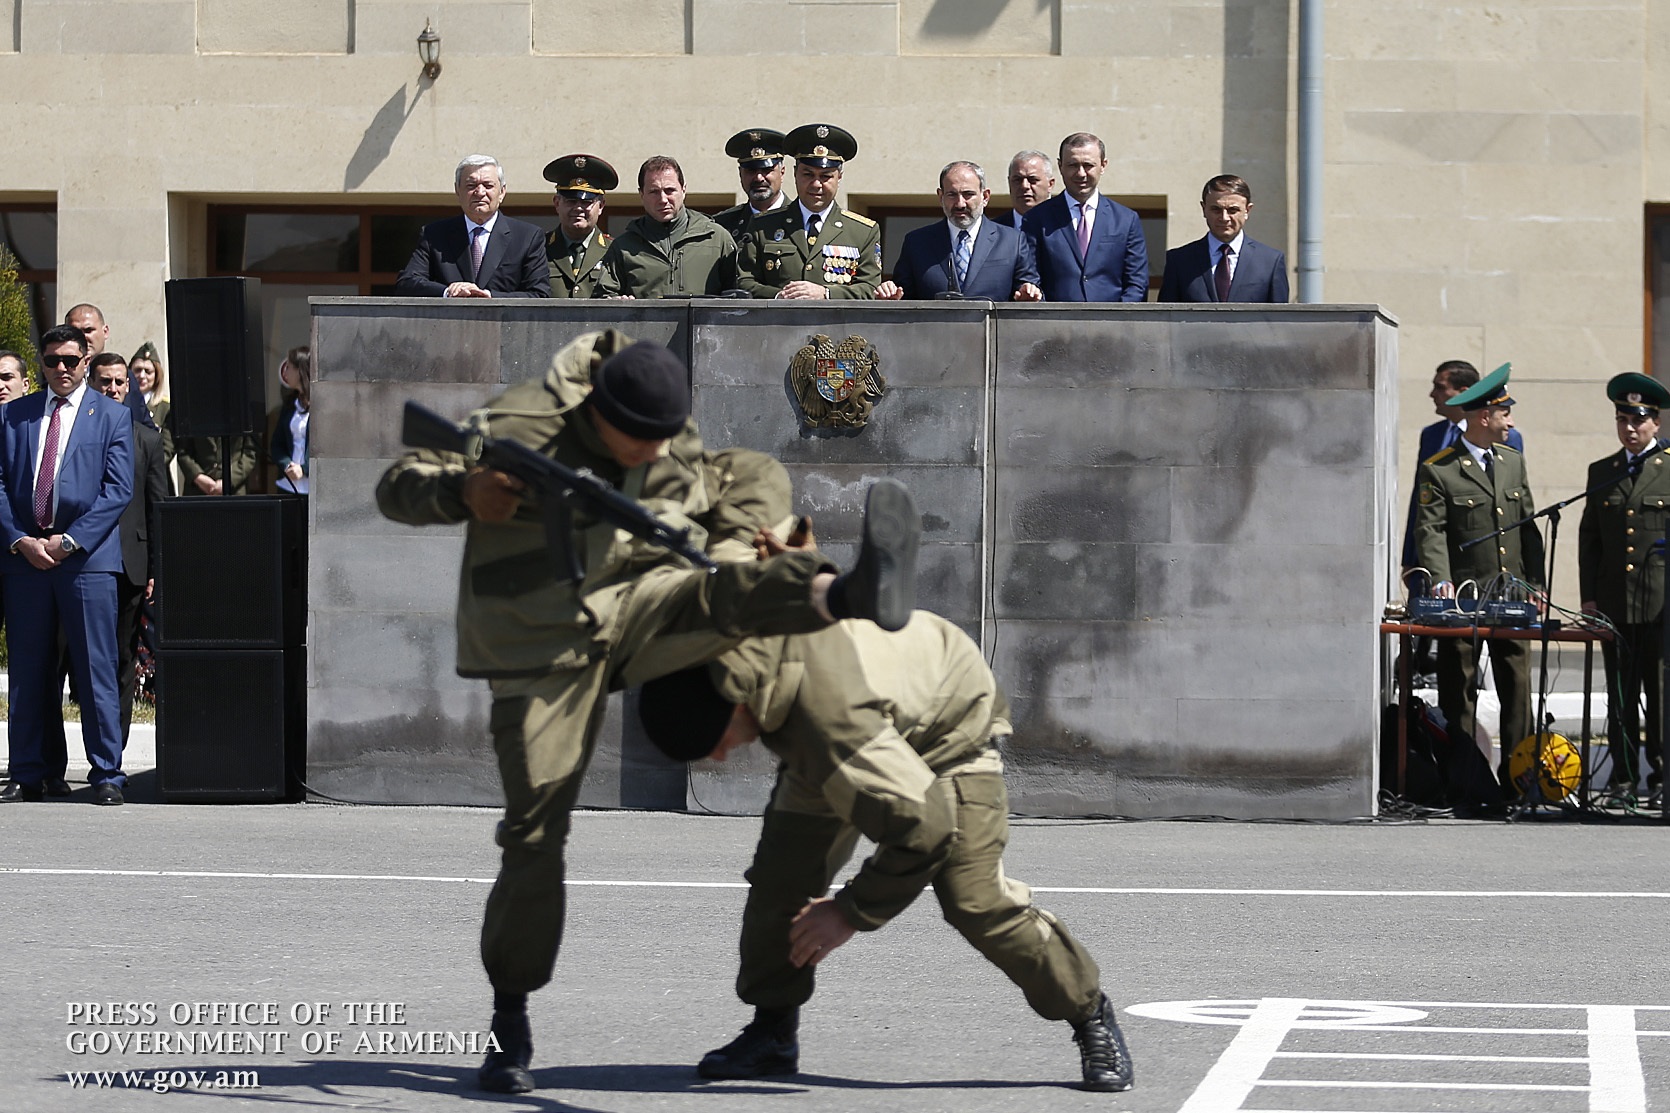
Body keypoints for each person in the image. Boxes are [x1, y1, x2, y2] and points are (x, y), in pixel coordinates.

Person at [374, 331, 921, 1095]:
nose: (656, 451)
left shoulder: (666, 431)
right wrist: (462, 493)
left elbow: (711, 479)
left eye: (667, 439)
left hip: (640, 600)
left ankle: (837, 592)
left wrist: (724, 539)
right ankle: (510, 1021)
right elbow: (398, 482)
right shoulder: (522, 422)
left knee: (738, 524)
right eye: (643, 442)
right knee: (535, 828)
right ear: (600, 415)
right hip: (542, 644)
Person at [637, 612, 1134, 1093]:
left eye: (713, 743)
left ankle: (1088, 1012)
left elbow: (926, 830)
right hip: (846, 728)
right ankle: (772, 1031)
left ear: (737, 704)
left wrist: (849, 912)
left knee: (974, 901)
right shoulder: (735, 663)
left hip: (947, 731)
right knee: (780, 881)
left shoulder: (829, 720)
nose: (718, 756)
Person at [0, 324, 133, 806]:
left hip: (87, 562)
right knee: (30, 670)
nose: (61, 368)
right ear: (42, 362)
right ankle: (28, 772)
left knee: (95, 667)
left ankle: (107, 774)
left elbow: (118, 490)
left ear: (86, 361)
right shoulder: (15, 414)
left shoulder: (112, 416)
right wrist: (19, 539)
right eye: (52, 359)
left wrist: (70, 541)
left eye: (71, 360)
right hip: (26, 562)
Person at [1412, 363, 1543, 801]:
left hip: (1511, 596)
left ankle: (1518, 784)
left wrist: (1537, 584)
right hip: (1464, 600)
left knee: (1517, 691)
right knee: (1460, 691)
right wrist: (1442, 582)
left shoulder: (1512, 462)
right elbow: (1430, 530)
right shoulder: (1441, 469)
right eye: (1504, 413)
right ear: (1484, 416)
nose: (1510, 421)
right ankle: (1468, 784)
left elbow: (1527, 528)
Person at [1578, 372, 1670, 807]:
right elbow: (1590, 540)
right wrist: (1589, 598)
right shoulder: (1603, 471)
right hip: (1615, 603)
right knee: (1620, 697)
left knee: (1662, 694)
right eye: (1622, 420)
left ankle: (1663, 777)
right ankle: (1624, 778)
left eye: (1638, 420)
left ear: (1655, 422)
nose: (1629, 429)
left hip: (1660, 605)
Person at [89, 353, 169, 749]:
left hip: (129, 567)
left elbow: (158, 510)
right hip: (77, 564)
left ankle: (111, 755)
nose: (114, 389)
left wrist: (156, 569)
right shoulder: (75, 434)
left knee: (121, 659)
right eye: (106, 382)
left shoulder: (148, 440)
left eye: (121, 382)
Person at [1402, 360, 1526, 572]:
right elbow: (1421, 501)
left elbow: (1513, 508)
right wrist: (1410, 558)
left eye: (1440, 387)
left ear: (1463, 392)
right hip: (1431, 558)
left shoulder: (1506, 438)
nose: (1432, 395)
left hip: (1477, 562)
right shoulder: (1431, 435)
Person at [735, 124, 881, 300]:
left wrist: (826, 294)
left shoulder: (862, 231)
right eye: (808, 174)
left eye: (826, 176)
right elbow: (744, 281)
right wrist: (779, 297)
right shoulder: (763, 225)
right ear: (795, 173)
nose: (816, 184)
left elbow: (870, 287)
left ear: (839, 177)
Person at [876, 161, 1042, 302]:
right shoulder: (917, 242)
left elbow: (1029, 292)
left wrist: (1029, 295)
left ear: (985, 197)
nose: (960, 203)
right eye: (952, 195)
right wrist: (890, 296)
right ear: (940, 197)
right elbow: (903, 297)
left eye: (968, 194)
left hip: (993, 337)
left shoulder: (1012, 241)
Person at [395, 155, 551, 299]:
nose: (480, 192)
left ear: (502, 192)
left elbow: (539, 294)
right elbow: (407, 283)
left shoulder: (527, 236)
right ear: (458, 190)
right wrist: (449, 292)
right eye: (471, 185)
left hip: (503, 326)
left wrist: (489, 297)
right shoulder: (435, 234)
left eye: (488, 185)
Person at [1022, 133, 1149, 302]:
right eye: (1073, 165)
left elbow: (1137, 283)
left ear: (1103, 165)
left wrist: (1119, 320)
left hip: (1112, 324)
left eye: (1088, 165)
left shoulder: (1126, 220)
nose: (1080, 173)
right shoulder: (1037, 219)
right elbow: (1030, 276)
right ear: (1060, 166)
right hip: (1054, 324)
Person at [593, 156, 738, 298]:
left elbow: (738, 298)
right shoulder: (624, 246)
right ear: (641, 194)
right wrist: (616, 303)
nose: (662, 199)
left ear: (684, 190)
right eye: (654, 192)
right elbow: (603, 298)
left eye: (669, 190)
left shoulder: (717, 239)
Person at [1157, 175, 1289, 303]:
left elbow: (1279, 321)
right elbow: (1167, 319)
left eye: (1233, 210)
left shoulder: (1270, 262)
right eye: (1216, 209)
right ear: (1204, 209)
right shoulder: (1179, 260)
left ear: (1247, 211)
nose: (1224, 217)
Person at [542, 154, 617, 299]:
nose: (578, 208)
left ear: (601, 206)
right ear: (557, 203)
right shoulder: (538, 249)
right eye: (571, 200)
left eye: (586, 202)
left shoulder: (616, 251)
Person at [713, 129, 791, 242]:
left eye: (766, 170)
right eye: (751, 170)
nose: (759, 178)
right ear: (740, 174)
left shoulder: (802, 220)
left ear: (782, 172)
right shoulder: (722, 225)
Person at [271, 346, 311, 496]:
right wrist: (287, 464)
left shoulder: (323, 407)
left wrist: (304, 469)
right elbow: (277, 444)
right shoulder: (289, 405)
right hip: (288, 486)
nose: (285, 372)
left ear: (300, 371)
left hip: (313, 489)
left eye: (290, 367)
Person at [127, 341, 173, 463]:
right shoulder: (122, 404)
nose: (142, 376)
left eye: (148, 371)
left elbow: (167, 449)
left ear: (157, 375)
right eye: (137, 370)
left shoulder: (165, 408)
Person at [1005, 150, 1056, 228]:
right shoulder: (992, 231)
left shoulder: (1067, 227)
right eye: (1017, 180)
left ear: (1050, 184)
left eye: (1032, 180)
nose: (1024, 186)